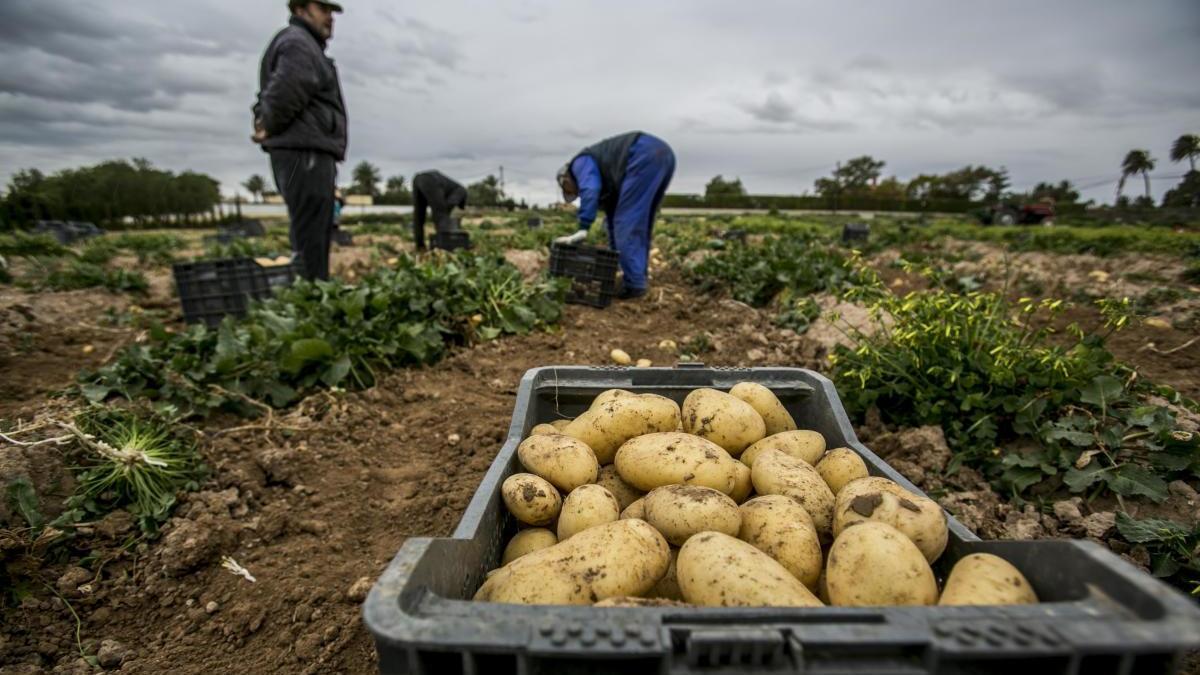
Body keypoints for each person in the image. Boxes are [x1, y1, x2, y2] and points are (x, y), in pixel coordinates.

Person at [252, 0, 348, 280]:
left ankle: (313, 293)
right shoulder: (299, 43)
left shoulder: (303, 44)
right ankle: (312, 299)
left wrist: (265, 120)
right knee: (311, 236)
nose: (330, 17)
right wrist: (267, 123)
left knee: (313, 230)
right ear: (300, 9)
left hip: (307, 150)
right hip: (304, 153)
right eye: (323, 9)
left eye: (332, 12)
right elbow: (285, 90)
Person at [555, 131, 675, 300]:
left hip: (641, 153)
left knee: (626, 223)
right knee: (637, 224)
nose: (578, 194)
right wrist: (612, 261)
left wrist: (583, 227)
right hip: (663, 155)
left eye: (573, 192)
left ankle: (634, 286)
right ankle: (636, 278)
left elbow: (590, 189)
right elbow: (612, 217)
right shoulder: (609, 177)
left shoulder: (580, 163)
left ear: (565, 179)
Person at [411, 170, 468, 252]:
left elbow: (456, 216)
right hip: (432, 180)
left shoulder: (453, 189)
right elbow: (450, 205)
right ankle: (444, 248)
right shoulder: (462, 191)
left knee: (418, 216)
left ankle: (420, 246)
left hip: (418, 179)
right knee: (441, 215)